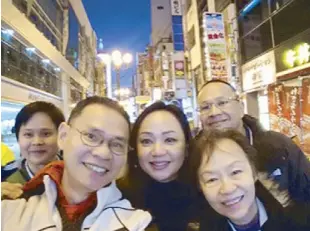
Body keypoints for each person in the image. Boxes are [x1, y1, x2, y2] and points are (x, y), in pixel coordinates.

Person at [2, 96, 151, 231]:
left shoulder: (138, 222)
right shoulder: (11, 206)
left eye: (117, 144)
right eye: (91, 136)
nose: (103, 153)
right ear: (63, 136)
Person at [197, 79, 310, 201]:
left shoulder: (279, 146)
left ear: (241, 107)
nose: (214, 112)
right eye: (205, 107)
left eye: (222, 102)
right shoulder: (195, 157)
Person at [188, 129, 310, 231]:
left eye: (235, 172)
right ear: (201, 187)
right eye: (212, 179)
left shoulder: (299, 222)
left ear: (254, 172)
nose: (227, 189)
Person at [118, 101, 201, 231]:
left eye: (169, 140)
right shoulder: (116, 198)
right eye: (146, 141)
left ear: (186, 147)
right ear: (135, 149)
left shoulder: (207, 195)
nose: (158, 151)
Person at [5, 101, 65, 185]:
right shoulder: (5, 178)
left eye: (46, 134)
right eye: (28, 134)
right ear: (18, 138)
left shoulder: (77, 173)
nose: (37, 142)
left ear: (61, 136)